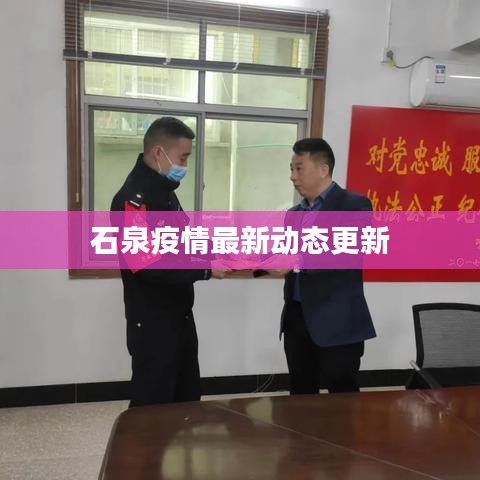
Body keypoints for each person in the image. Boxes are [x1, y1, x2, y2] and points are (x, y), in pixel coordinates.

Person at [111, 117, 227, 407]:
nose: (184, 166)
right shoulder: (134, 200)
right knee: (153, 407)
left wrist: (220, 249)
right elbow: (147, 266)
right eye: (183, 157)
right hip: (153, 324)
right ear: (158, 153)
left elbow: (181, 242)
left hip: (179, 316)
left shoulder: (164, 194)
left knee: (186, 399)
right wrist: (206, 269)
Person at [276, 137, 376, 394]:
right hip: (297, 318)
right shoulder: (293, 214)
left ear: (323, 169)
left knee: (341, 398)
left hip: (337, 318)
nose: (292, 176)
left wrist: (295, 261)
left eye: (299, 169)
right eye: (291, 169)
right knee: (301, 394)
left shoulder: (355, 205)